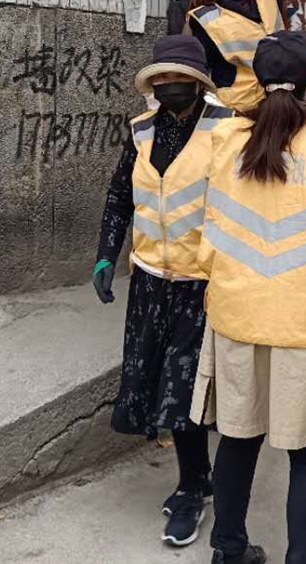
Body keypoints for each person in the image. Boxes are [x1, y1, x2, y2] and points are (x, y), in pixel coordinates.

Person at [190, 31, 306, 564]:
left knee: (238, 438)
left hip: (237, 315)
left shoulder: (225, 141)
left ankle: (228, 550)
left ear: (258, 78)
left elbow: (208, 223)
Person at [93, 34, 233, 547]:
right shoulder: (141, 130)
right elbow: (119, 195)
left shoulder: (227, 129)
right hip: (151, 281)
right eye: (162, 78)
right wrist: (106, 254)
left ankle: (193, 488)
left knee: (184, 387)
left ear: (197, 82)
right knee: (156, 382)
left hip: (204, 282)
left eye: (180, 77)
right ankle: (200, 478)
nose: (170, 85)